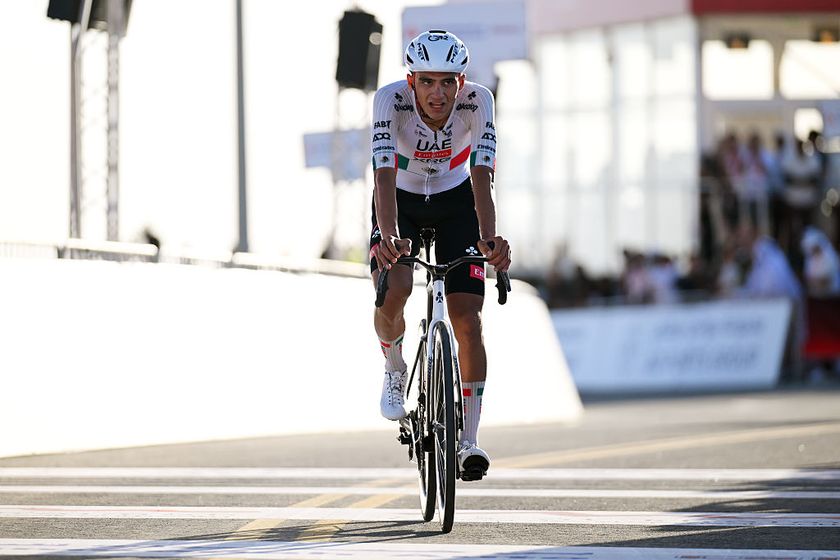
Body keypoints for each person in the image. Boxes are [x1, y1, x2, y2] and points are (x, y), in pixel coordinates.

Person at [368, 30, 511, 480]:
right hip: (401, 203)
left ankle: (469, 440)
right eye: (427, 82)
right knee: (399, 286)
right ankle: (394, 364)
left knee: (468, 316)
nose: (438, 92)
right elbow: (384, 177)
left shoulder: (478, 101)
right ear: (411, 82)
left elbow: (482, 177)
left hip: (456, 202)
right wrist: (388, 235)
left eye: (448, 82)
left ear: (461, 81)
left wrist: (490, 238)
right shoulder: (389, 102)